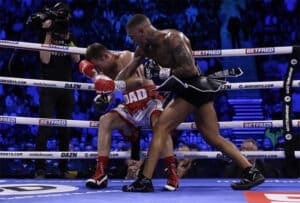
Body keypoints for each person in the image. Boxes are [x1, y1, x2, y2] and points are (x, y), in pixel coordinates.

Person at [117, 14, 265, 192]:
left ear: (142, 31)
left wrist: (163, 72)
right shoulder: (143, 49)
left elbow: (190, 68)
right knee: (212, 136)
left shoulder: (173, 39)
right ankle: (251, 171)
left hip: (194, 86)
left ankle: (144, 180)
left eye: (133, 37)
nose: (132, 41)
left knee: (161, 127)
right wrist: (109, 85)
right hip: (188, 90)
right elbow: (127, 71)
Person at [78, 42, 178, 191]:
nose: (99, 71)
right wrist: (103, 99)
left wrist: (111, 86)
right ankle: (101, 173)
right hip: (129, 106)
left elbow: (137, 81)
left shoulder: (126, 57)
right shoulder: (104, 71)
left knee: (160, 125)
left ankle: (172, 174)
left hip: (149, 101)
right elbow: (110, 95)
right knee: (105, 120)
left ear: (106, 56)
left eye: (99, 66)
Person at [35, 2, 80, 178]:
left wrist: (67, 38)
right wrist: (48, 33)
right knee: (44, 126)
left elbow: (77, 59)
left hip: (66, 86)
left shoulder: (70, 34)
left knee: (65, 128)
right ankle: (40, 168)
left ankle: (63, 167)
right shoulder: (44, 33)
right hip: (49, 86)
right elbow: (45, 59)